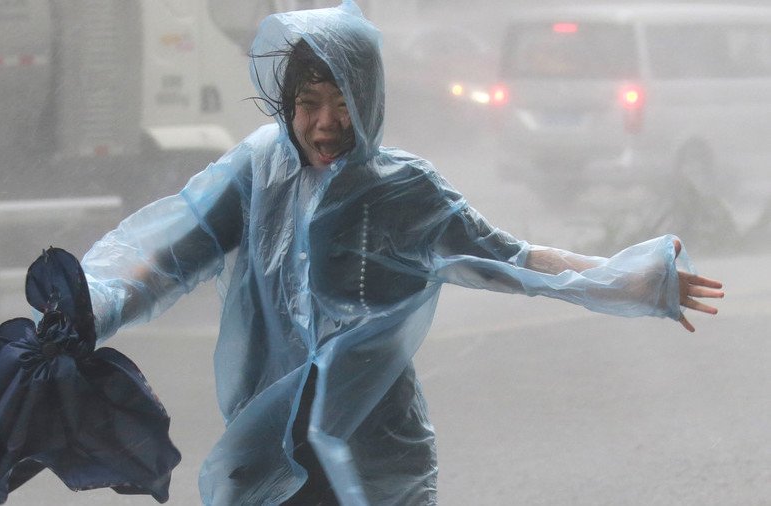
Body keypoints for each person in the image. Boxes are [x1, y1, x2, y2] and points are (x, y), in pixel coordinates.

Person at [80, 2, 723, 504]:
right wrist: (93, 307)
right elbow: (169, 256)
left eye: (342, 103)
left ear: (370, 102)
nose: (325, 123)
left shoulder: (405, 191)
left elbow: (515, 260)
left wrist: (630, 279)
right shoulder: (260, 172)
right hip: (271, 443)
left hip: (373, 448)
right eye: (308, 103)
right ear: (287, 106)